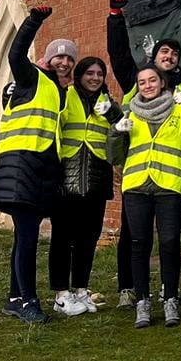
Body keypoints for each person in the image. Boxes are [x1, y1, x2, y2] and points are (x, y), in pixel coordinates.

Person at [110, 63, 181, 328]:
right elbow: (114, 156)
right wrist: (115, 133)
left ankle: (170, 298)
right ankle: (142, 302)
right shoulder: (129, 113)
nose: (147, 86)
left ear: (162, 82)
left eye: (152, 80)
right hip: (137, 185)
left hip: (170, 184)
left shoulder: (180, 110)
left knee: (170, 242)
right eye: (142, 82)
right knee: (139, 244)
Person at [0, 5, 73, 325]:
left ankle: (13, 298)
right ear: (47, 59)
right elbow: (15, 55)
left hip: (40, 169)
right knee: (28, 237)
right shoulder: (31, 76)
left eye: (69, 58)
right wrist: (33, 21)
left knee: (24, 235)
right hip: (21, 166)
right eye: (58, 56)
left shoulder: (58, 91)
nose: (64, 61)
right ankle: (28, 301)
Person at [48, 55, 120, 317]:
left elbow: (121, 130)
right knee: (62, 238)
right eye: (90, 73)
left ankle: (80, 288)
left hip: (97, 179)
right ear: (79, 75)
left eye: (99, 74)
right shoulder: (66, 96)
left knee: (88, 238)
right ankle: (61, 293)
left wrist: (112, 112)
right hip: (67, 176)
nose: (95, 78)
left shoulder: (108, 103)